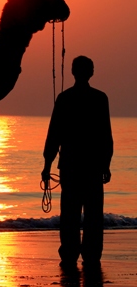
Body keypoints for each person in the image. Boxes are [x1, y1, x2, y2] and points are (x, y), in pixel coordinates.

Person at [41, 56, 113, 269]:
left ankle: (70, 254)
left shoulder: (65, 98)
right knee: (93, 215)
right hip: (92, 167)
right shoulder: (100, 98)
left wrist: (47, 165)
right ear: (91, 72)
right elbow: (105, 136)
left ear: (73, 72)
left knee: (70, 214)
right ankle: (91, 255)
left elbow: (53, 135)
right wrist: (106, 164)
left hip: (71, 167)